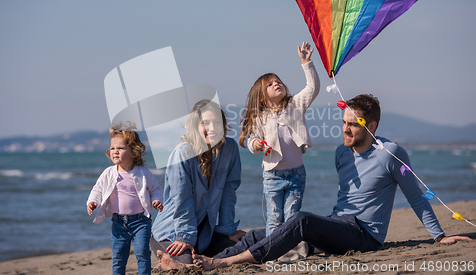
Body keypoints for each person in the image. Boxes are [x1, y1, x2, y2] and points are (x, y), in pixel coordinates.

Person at [187, 94, 472, 270]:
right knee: (259, 233)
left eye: (352, 124)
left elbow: (416, 195)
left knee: (300, 220)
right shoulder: (340, 153)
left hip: (365, 236)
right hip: (339, 225)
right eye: (344, 121)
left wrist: (439, 236)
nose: (345, 128)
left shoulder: (391, 153)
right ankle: (196, 263)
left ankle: (223, 263)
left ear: (370, 127)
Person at [150, 99, 245, 270]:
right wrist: (185, 238)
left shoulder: (230, 148)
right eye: (205, 123)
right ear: (195, 126)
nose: (212, 128)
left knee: (240, 250)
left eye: (217, 122)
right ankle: (164, 260)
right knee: (187, 267)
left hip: (204, 233)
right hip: (172, 233)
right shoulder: (182, 153)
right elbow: (182, 200)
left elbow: (229, 193)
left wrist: (227, 230)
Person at [239, 41, 320, 235]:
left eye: (278, 81)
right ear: (261, 96)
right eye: (270, 84)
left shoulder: (295, 105)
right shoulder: (260, 117)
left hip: (297, 174)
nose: (277, 84)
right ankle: (272, 253)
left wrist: (306, 63)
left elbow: (313, 87)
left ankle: (292, 252)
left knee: (292, 217)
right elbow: (251, 140)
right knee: (274, 219)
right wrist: (255, 144)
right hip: (272, 176)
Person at [87, 122, 164, 275]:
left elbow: (156, 188)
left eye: (120, 148)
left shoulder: (143, 172)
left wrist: (157, 200)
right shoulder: (109, 172)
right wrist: (92, 201)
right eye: (112, 148)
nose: (115, 152)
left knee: (142, 253)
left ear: (133, 151)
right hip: (118, 223)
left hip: (141, 222)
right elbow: (98, 188)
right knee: (119, 257)